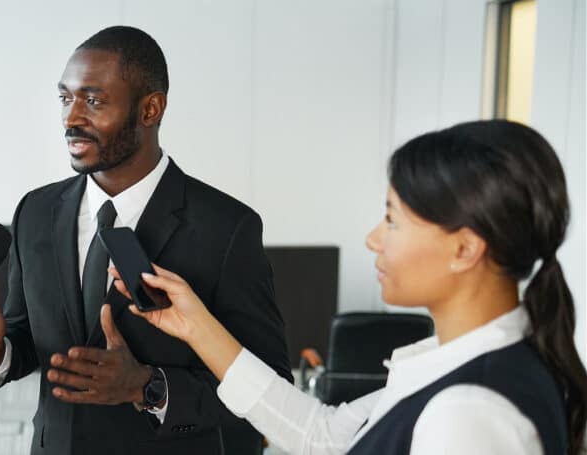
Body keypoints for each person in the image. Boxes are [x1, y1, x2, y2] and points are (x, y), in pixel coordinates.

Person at [111, 119, 587, 454]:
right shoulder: (475, 364)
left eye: (392, 220)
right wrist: (197, 326)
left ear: (465, 249)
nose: (373, 239)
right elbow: (325, 437)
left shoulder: (468, 413)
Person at [0, 26, 291, 454]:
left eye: (93, 101)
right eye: (65, 98)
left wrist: (148, 387)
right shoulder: (34, 212)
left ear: (150, 109)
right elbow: (29, 340)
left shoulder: (226, 228)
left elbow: (270, 391)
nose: (72, 118)